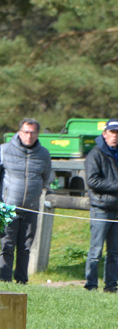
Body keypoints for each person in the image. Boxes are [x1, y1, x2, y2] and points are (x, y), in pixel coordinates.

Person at [0, 118, 52, 285]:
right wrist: (5, 193)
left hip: (30, 208)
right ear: (19, 132)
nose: (29, 136)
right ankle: (5, 280)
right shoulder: (4, 150)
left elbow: (45, 177)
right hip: (9, 207)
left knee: (25, 247)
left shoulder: (44, 154)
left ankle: (22, 280)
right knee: (7, 246)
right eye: (25, 132)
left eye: (32, 133)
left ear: (37, 134)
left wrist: (34, 192)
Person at [84, 119, 118, 293]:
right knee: (96, 251)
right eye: (112, 132)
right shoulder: (95, 154)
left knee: (114, 252)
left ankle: (111, 286)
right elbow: (92, 181)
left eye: (117, 133)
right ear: (105, 134)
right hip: (101, 208)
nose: (115, 136)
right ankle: (91, 286)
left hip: (116, 209)